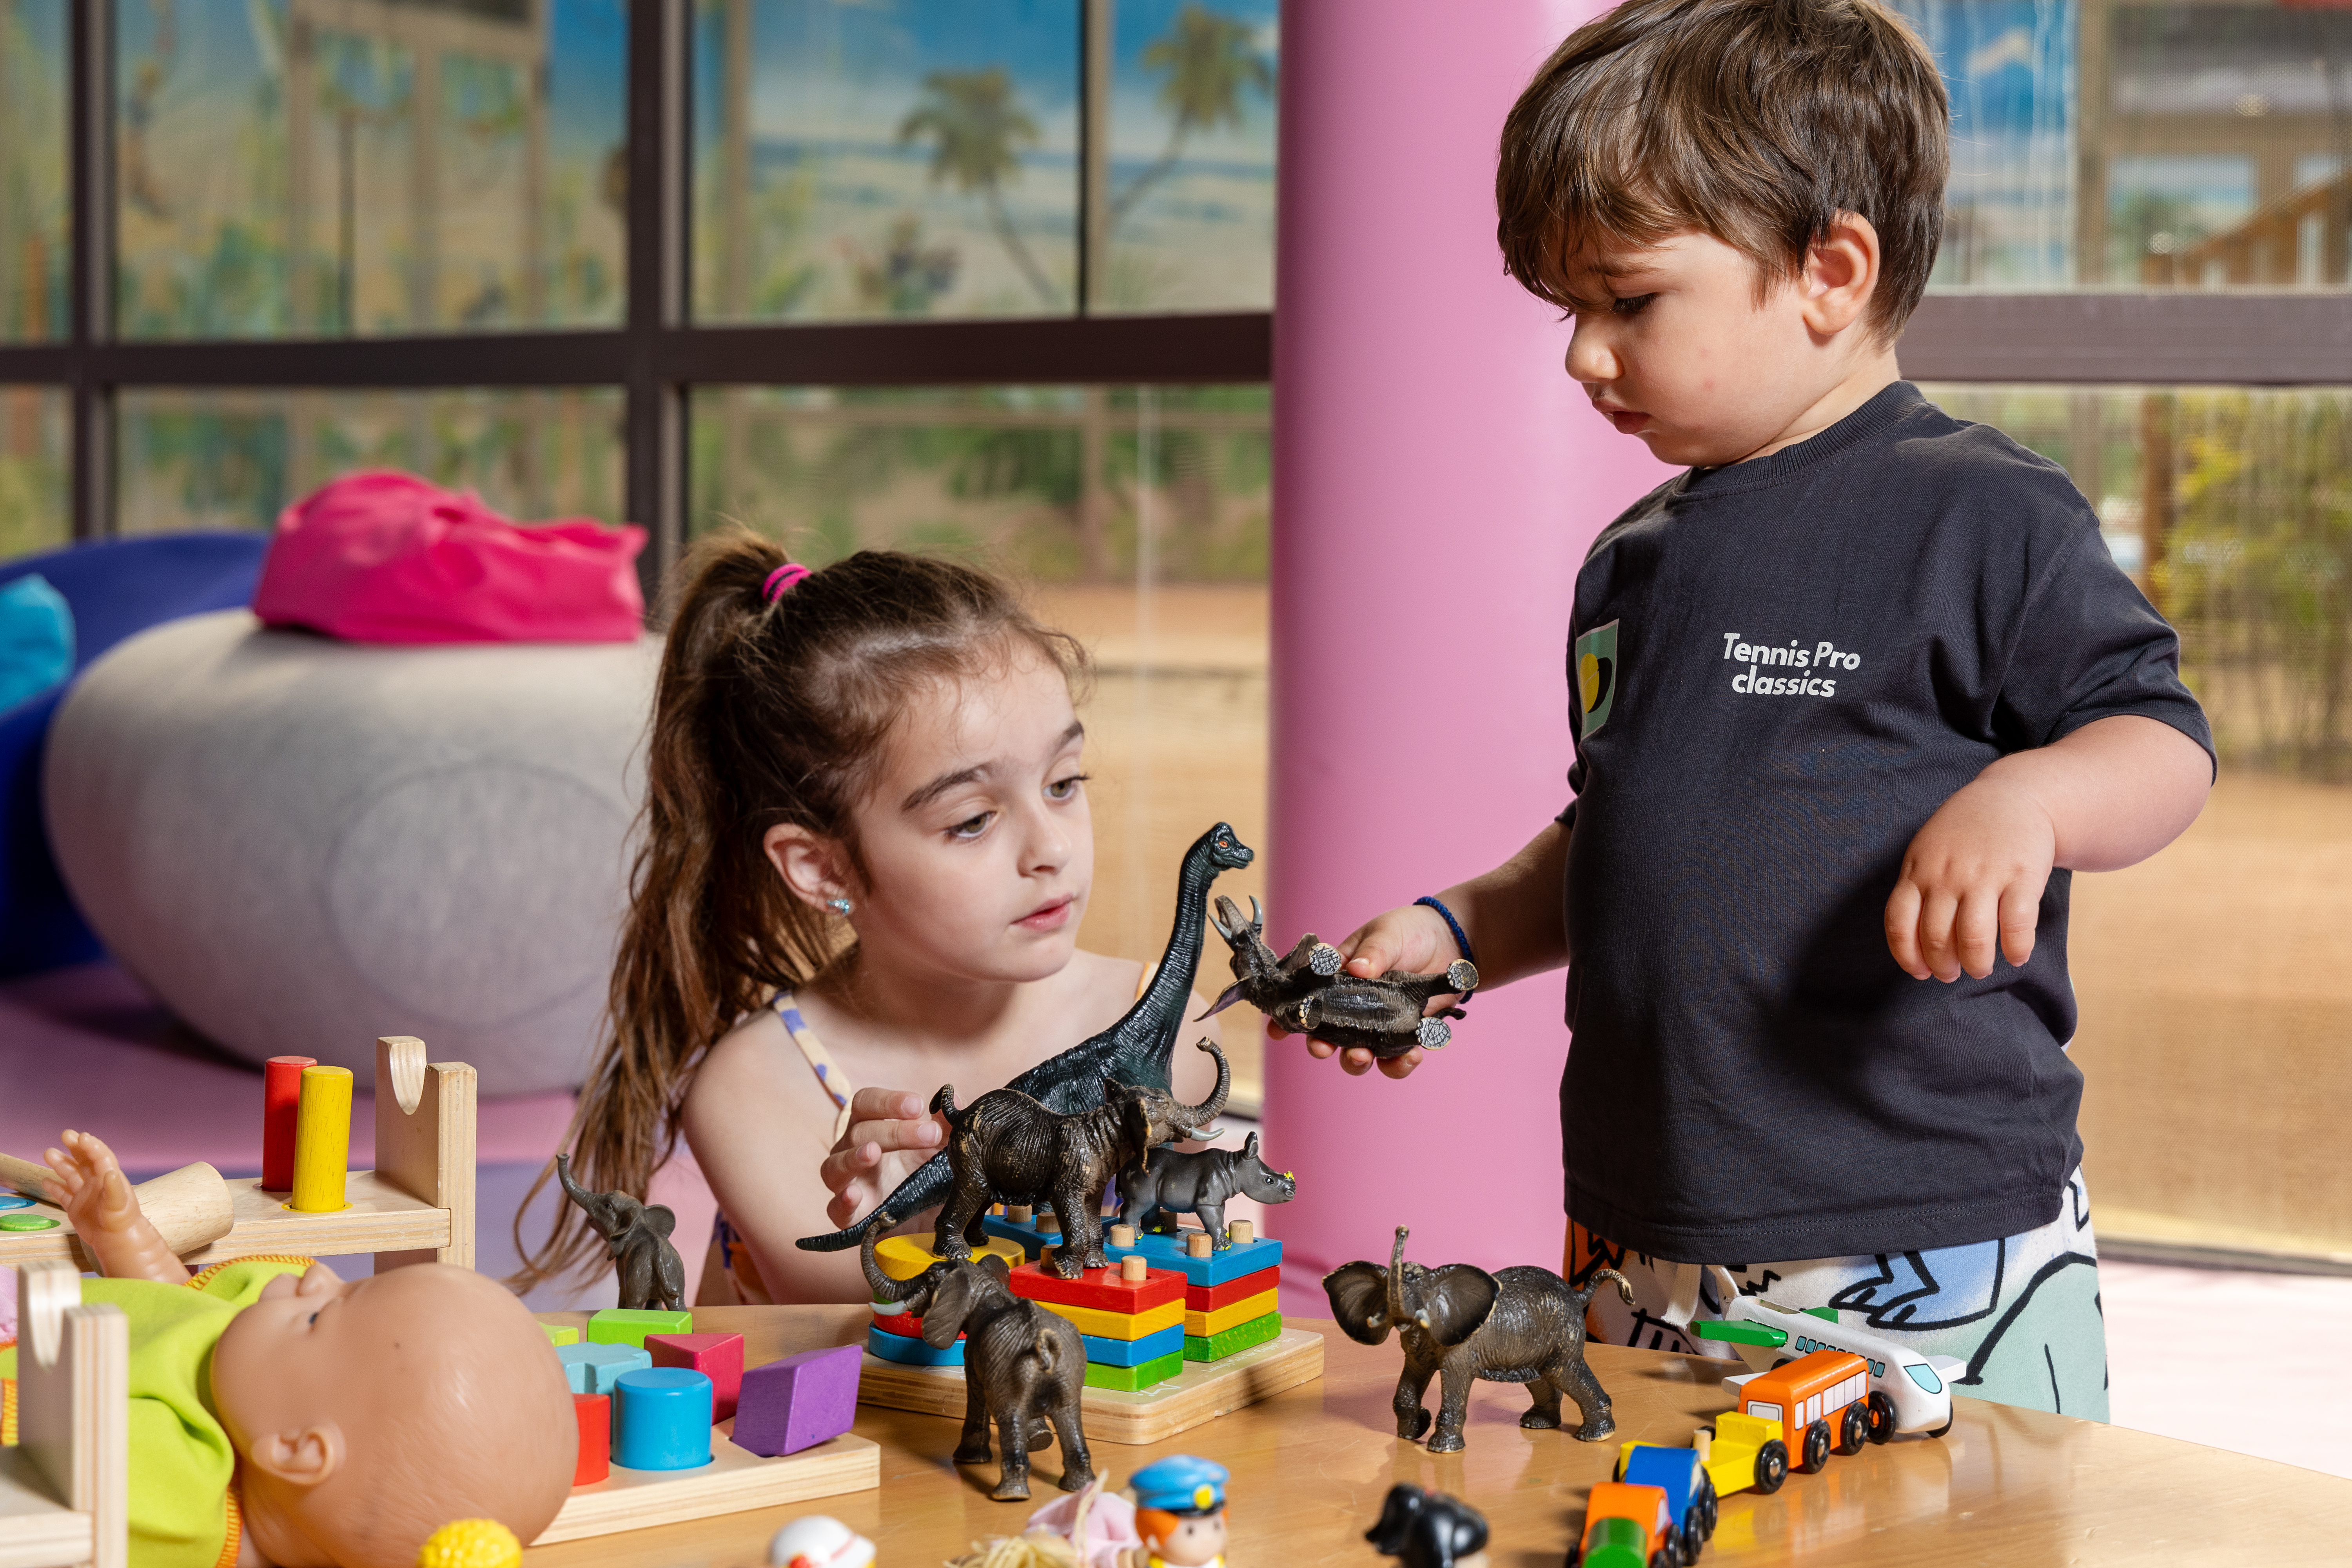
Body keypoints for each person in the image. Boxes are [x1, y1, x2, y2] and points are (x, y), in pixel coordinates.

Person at [1288, 0, 2213, 1419]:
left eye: (1629, 300)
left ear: (1829, 269)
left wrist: (2026, 798)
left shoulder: (1982, 514)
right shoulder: (1631, 560)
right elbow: (1622, 825)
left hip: (1923, 1230)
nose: (1583, 356)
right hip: (1635, 1235)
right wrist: (1463, 930)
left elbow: (2159, 743)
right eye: (1569, 311)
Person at [513, 537, 1225, 1307]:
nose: (1053, 848)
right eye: (974, 819)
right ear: (825, 869)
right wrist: (910, 1221)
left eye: (1063, 782)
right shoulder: (759, 1090)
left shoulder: (1164, 1028)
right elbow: (871, 1363)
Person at [0, 1130, 573, 1568]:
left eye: (321, 1314)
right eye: (347, 1284)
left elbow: (34, 1462)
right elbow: (179, 1306)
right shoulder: (250, 1376)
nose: (319, 1276)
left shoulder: (178, 1494)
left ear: (299, 1449)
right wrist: (122, 1237)